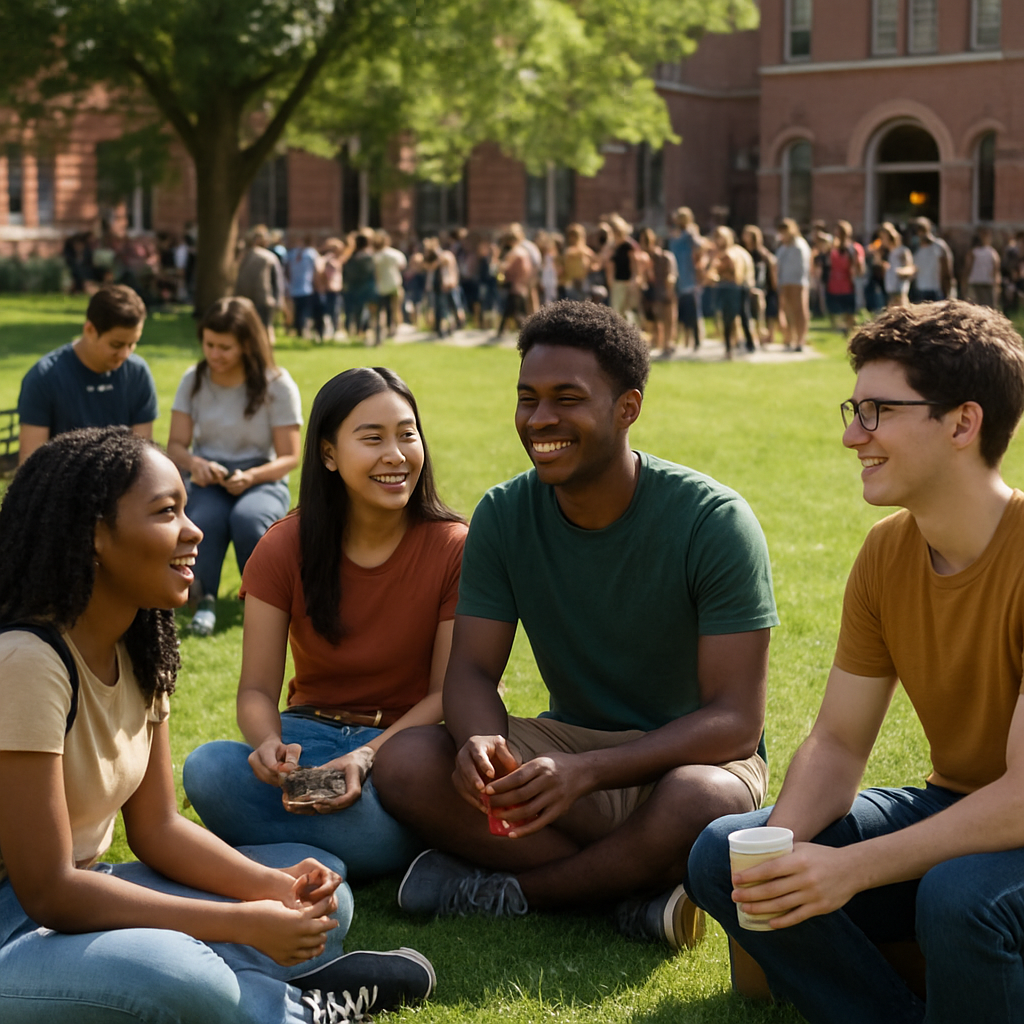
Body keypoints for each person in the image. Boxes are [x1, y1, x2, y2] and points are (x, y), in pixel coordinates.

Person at [372, 300, 778, 950]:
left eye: (567, 398)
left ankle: (516, 893)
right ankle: (641, 886)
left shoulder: (712, 521)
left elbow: (735, 721)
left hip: (690, 761)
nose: (539, 420)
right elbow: (473, 670)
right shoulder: (505, 515)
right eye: (527, 398)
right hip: (572, 748)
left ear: (628, 408)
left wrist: (591, 773)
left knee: (705, 807)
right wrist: (479, 742)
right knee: (409, 760)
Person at [0, 427, 436, 1024]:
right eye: (166, 513)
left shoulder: (139, 648)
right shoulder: (25, 663)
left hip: (82, 894)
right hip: (15, 928)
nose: (195, 530)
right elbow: (47, 890)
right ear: (95, 535)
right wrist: (240, 921)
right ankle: (290, 1007)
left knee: (324, 902)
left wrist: (270, 888)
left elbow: (156, 829)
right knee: (187, 979)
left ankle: (265, 987)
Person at [689, 300, 1024, 1024]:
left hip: (1013, 823)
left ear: (963, 422)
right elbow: (839, 743)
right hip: (958, 807)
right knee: (726, 850)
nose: (851, 435)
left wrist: (852, 869)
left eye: (877, 411)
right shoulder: (886, 552)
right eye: (854, 408)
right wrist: (784, 844)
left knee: (958, 899)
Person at [182, 368, 467, 881]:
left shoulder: (453, 547)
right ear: (329, 455)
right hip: (306, 737)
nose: (396, 454)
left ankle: (308, 848)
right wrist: (268, 743)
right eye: (373, 438)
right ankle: (347, 852)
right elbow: (255, 689)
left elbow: (445, 695)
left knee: (378, 811)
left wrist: (364, 757)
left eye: (407, 433)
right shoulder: (282, 545)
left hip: (402, 749)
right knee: (206, 769)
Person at [167, 297, 302, 638]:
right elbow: (175, 446)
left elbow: (290, 456)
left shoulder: (276, 384)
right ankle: (203, 602)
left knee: (250, 520)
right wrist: (195, 463)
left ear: (246, 344)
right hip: (208, 475)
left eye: (224, 347)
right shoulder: (193, 380)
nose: (214, 354)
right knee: (204, 521)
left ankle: (263, 600)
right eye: (209, 344)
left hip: (261, 476)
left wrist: (252, 477)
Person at [17, 284, 157, 465]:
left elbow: (142, 459)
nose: (125, 354)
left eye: (132, 344)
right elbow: (30, 467)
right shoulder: (43, 378)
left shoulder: (138, 374)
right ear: (90, 330)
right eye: (116, 345)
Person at [235, 225, 285, 333]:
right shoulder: (269, 256)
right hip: (263, 299)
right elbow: (277, 281)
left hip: (244, 298)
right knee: (264, 330)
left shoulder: (242, 256)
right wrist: (278, 301)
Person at [668, 207, 706, 350]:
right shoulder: (674, 233)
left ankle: (695, 340)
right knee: (679, 310)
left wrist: (698, 263)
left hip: (688, 275)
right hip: (676, 274)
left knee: (692, 309)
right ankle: (681, 339)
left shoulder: (690, 233)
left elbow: (700, 247)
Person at [775, 219, 811, 351]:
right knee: (787, 311)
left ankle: (800, 340)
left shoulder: (799, 245)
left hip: (797, 282)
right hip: (784, 282)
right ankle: (789, 337)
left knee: (799, 311)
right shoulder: (783, 247)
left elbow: (803, 266)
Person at [826, 221, 865, 336]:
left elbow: (860, 269)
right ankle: (841, 331)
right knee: (836, 312)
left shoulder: (854, 248)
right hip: (835, 285)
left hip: (849, 285)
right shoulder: (832, 249)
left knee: (850, 312)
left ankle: (849, 331)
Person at [964, 227, 1001, 309]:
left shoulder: (991, 252)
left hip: (985, 284)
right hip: (978, 284)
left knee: (982, 309)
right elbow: (968, 269)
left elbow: (996, 270)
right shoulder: (975, 252)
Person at [880, 223, 915, 308]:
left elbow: (911, 268)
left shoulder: (902, 251)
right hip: (890, 291)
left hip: (900, 291)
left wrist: (900, 271)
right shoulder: (889, 253)